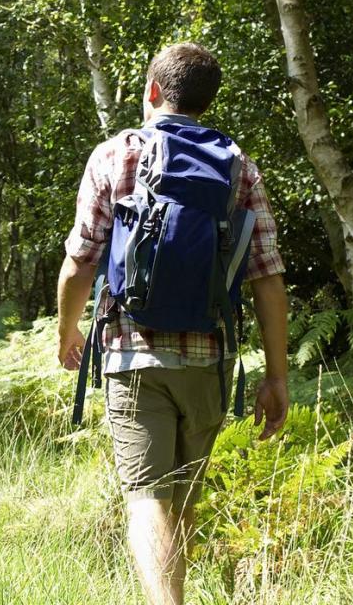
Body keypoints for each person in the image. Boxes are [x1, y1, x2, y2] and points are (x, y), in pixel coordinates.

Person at [55, 42, 290, 605]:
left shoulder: (115, 156)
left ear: (154, 92)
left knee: (144, 498)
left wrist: (66, 328)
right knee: (183, 497)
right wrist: (276, 375)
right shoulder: (237, 166)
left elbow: (81, 260)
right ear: (205, 101)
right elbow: (267, 277)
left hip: (132, 354)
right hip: (209, 358)